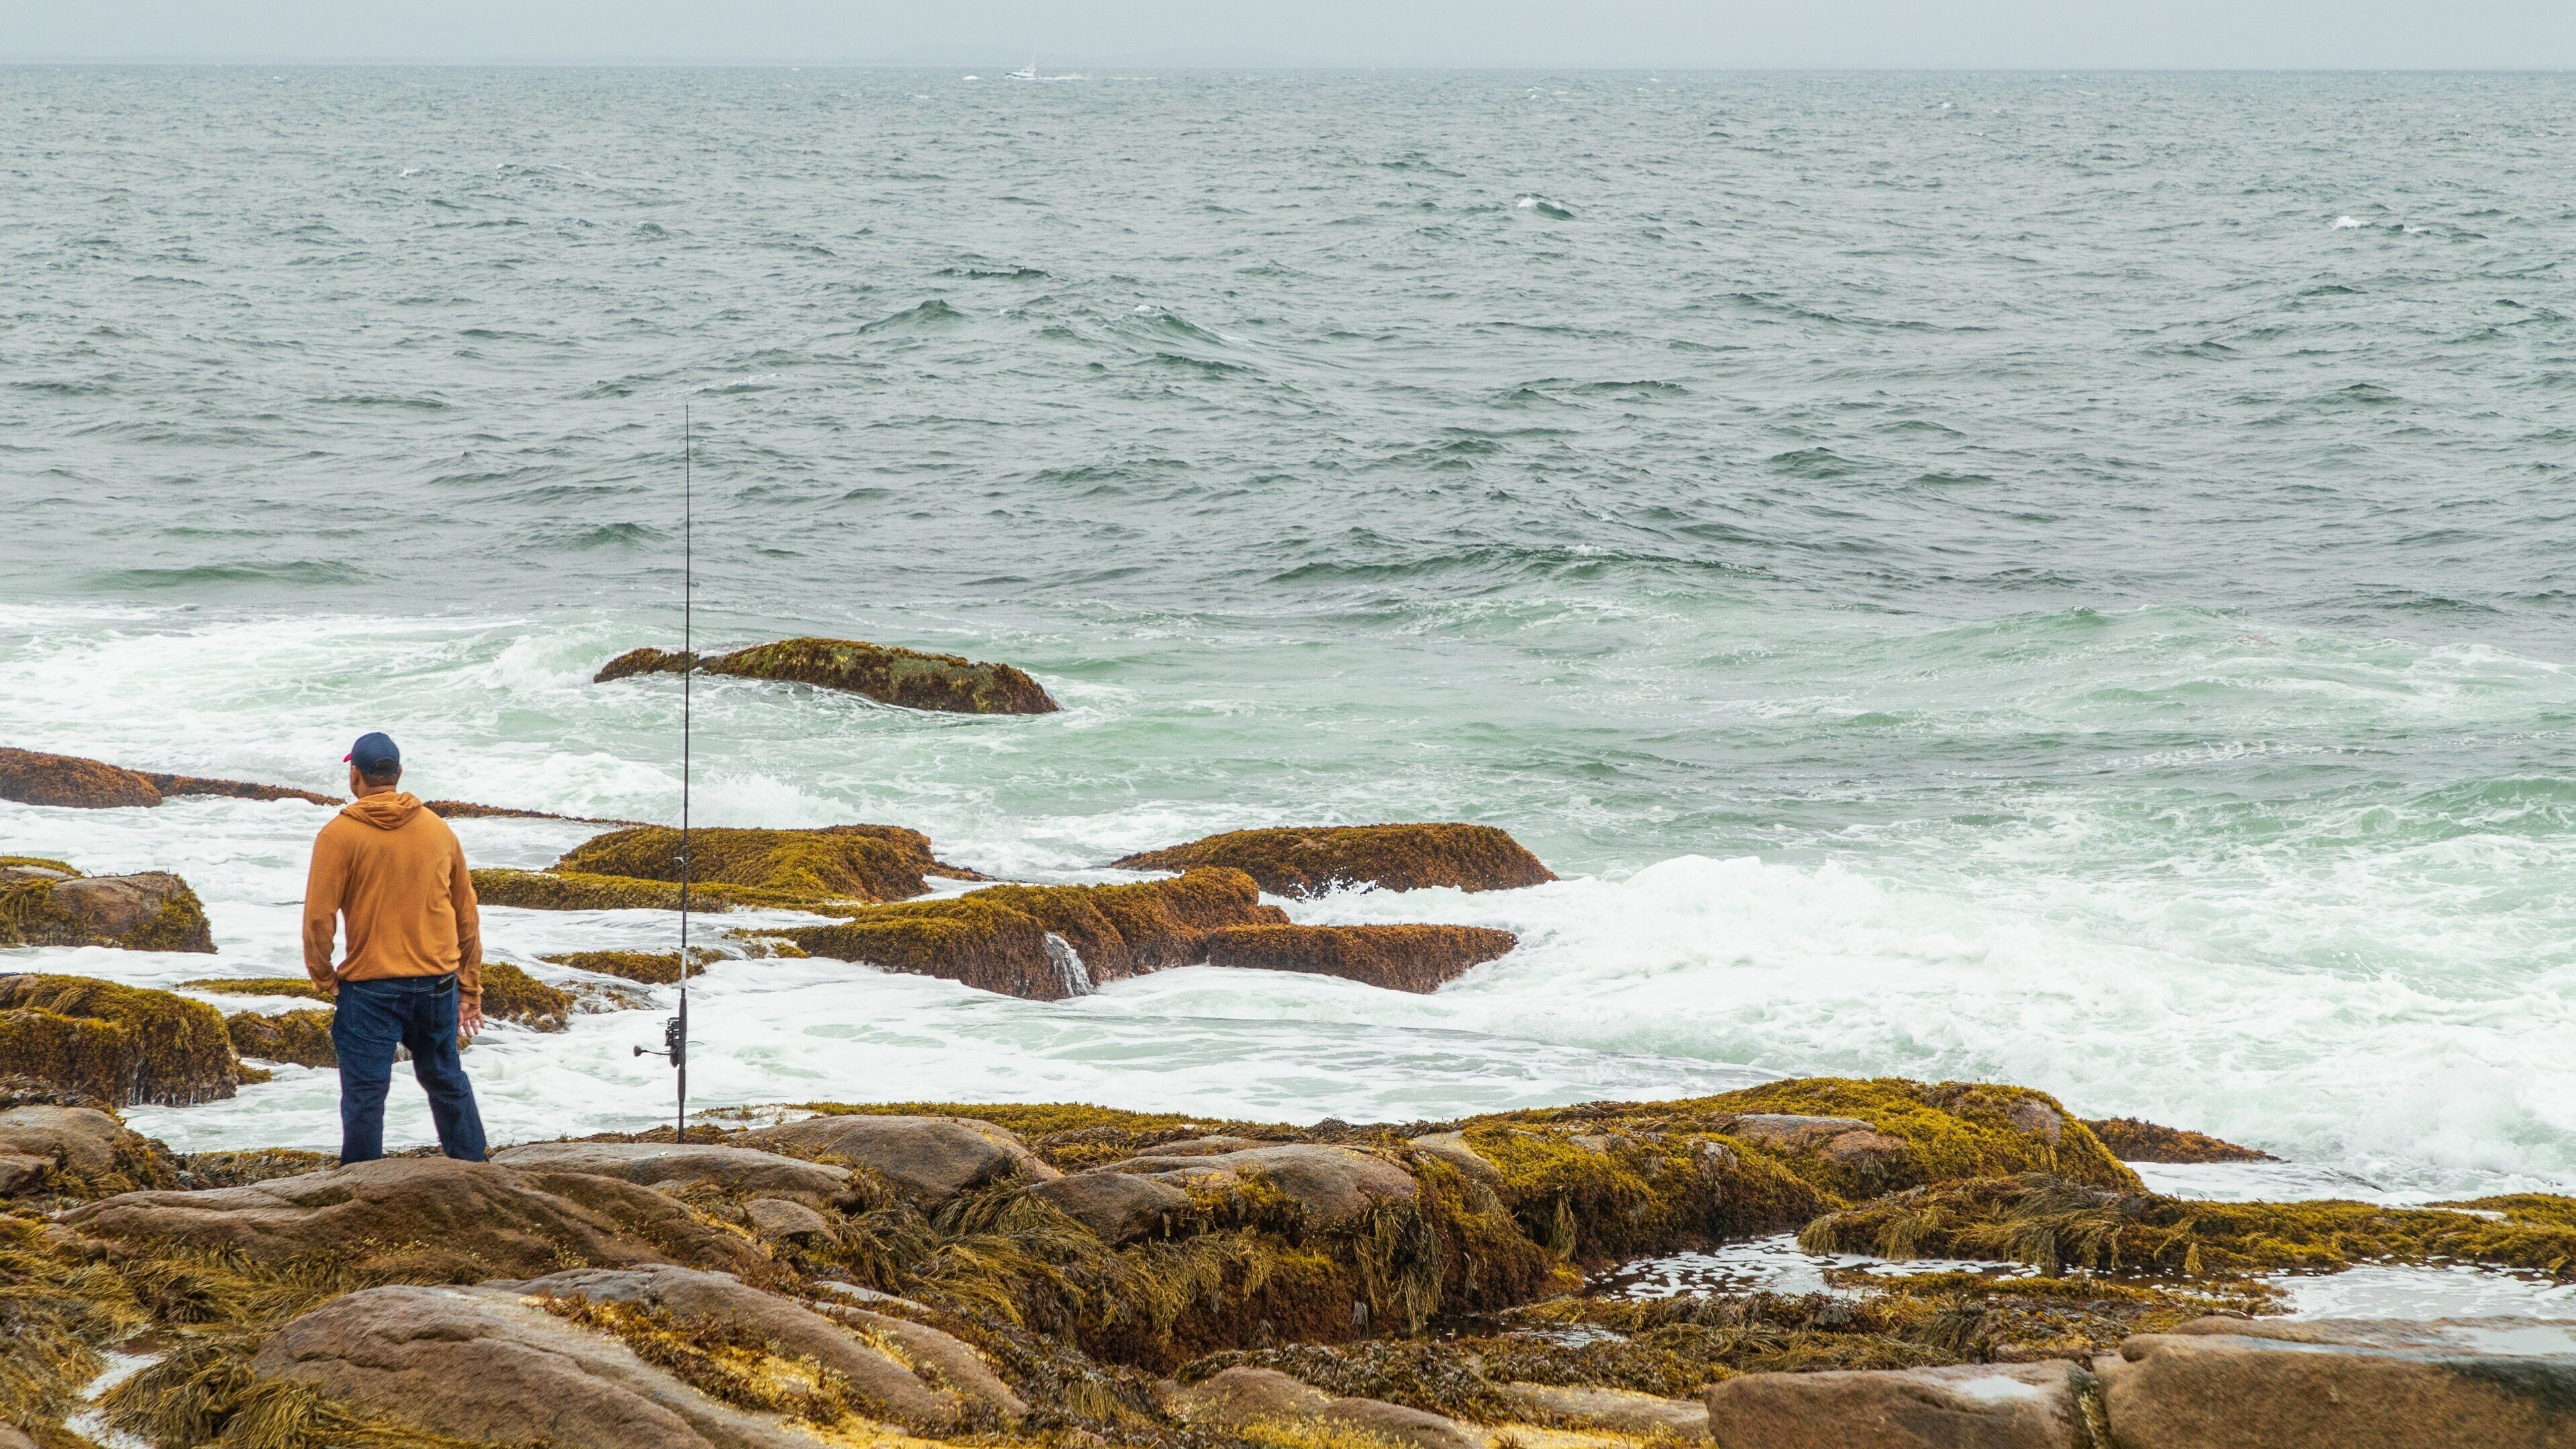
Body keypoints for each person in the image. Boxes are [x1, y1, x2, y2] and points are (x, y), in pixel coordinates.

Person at [301, 731, 488, 1164]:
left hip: (371, 989)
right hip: (437, 984)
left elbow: (318, 918)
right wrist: (470, 989)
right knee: (445, 1078)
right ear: (398, 773)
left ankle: (361, 1186)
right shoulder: (438, 830)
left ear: (355, 776)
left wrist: (324, 976)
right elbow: (466, 915)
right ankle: (476, 1171)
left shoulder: (339, 835)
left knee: (366, 1093)